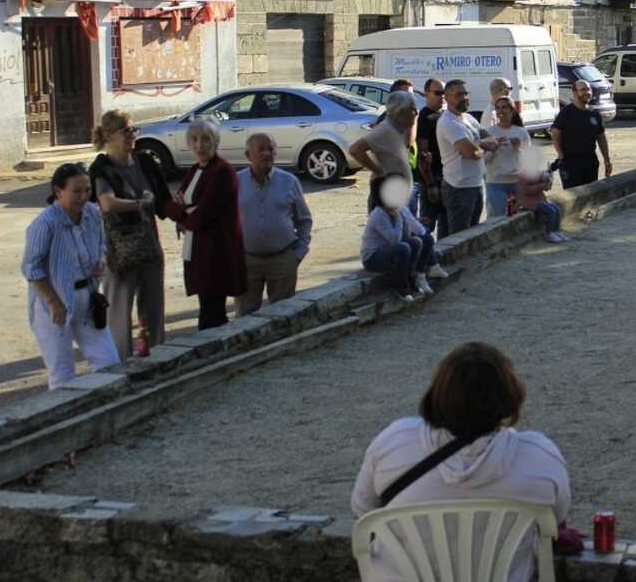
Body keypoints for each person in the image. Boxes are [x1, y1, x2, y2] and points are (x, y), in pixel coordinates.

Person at [352, 342, 571, 582]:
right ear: (509, 394)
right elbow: (556, 519)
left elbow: (363, 510)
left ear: (439, 392)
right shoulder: (539, 456)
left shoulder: (394, 441)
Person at [23, 163, 120, 389]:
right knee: (62, 372)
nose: (83, 196)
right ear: (58, 192)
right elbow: (31, 268)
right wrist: (54, 302)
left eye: (87, 190)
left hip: (87, 296)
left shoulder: (93, 213)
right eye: (76, 191)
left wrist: (101, 261)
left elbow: (101, 246)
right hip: (53, 302)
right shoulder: (45, 223)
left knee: (109, 361)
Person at [88, 109, 171, 360]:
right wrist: (139, 204)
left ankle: (155, 359)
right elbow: (107, 204)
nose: (131, 136)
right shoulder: (102, 168)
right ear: (108, 135)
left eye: (134, 130)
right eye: (125, 131)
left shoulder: (145, 162)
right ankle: (120, 367)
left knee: (153, 313)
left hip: (149, 248)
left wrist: (182, 215)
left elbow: (164, 200)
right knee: (119, 317)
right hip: (119, 254)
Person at [165, 119, 247, 330]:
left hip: (216, 255)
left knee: (213, 315)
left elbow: (200, 218)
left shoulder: (222, 171)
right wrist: (185, 211)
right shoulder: (195, 169)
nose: (199, 145)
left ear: (216, 141)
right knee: (207, 309)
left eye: (205, 139)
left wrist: (183, 212)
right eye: (193, 140)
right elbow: (170, 208)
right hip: (197, 252)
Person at [235, 133, 313, 316]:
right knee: (245, 317)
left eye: (270, 149)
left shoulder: (289, 181)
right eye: (260, 150)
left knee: (283, 316)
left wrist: (298, 254)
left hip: (282, 258)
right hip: (247, 260)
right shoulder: (236, 182)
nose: (266, 154)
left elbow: (304, 220)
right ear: (248, 156)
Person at [361, 174, 441, 298]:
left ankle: (415, 277)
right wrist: (398, 217)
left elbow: (416, 227)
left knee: (418, 241)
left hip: (388, 251)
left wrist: (418, 223)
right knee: (404, 247)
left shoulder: (397, 208)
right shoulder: (379, 214)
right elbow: (395, 240)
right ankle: (399, 286)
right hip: (373, 258)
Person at [438, 79, 502, 234]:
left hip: (475, 183)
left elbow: (492, 139)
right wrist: (484, 145)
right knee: (459, 235)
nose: (465, 97)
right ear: (447, 98)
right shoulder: (448, 122)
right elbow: (471, 153)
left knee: (472, 234)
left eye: (466, 93)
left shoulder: (469, 118)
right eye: (459, 94)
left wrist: (479, 144)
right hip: (458, 187)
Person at [350, 90, 420, 213]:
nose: (416, 113)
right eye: (413, 109)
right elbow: (355, 150)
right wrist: (379, 171)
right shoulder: (385, 129)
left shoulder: (399, 129)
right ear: (401, 112)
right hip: (386, 201)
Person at [550, 80, 613, 189]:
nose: (587, 92)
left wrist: (607, 160)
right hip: (570, 163)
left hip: (590, 162)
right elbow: (555, 134)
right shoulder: (566, 112)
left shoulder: (594, 114)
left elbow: (601, 138)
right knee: (573, 197)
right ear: (574, 93)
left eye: (588, 89)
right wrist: (561, 155)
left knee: (590, 196)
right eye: (582, 90)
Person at [484, 97, 531, 218]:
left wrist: (518, 149)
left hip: (517, 182)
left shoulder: (521, 132)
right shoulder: (489, 132)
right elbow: (484, 160)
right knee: (497, 219)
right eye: (498, 108)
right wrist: (494, 148)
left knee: (516, 218)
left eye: (504, 107)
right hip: (495, 182)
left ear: (512, 110)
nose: (501, 111)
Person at [416, 78, 450, 238]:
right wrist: (430, 184)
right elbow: (423, 154)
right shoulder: (424, 117)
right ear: (426, 93)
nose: (442, 96)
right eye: (438, 93)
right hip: (432, 179)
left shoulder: (444, 115)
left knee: (447, 226)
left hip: (447, 179)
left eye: (444, 93)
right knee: (426, 226)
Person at [518, 148, 568, 244]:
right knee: (551, 211)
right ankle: (549, 233)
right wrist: (541, 185)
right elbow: (525, 190)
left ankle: (556, 231)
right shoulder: (522, 174)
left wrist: (547, 179)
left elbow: (544, 185)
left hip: (539, 199)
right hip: (528, 202)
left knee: (557, 209)